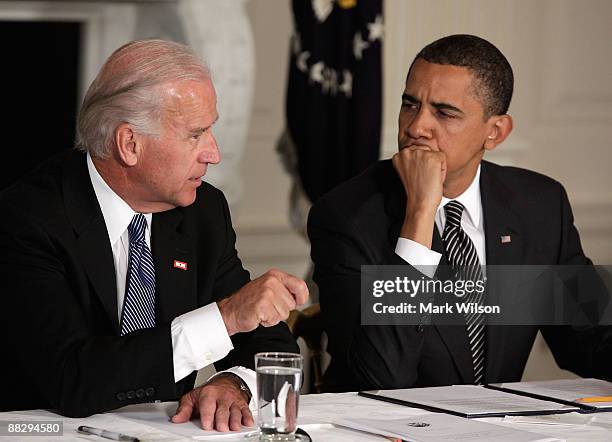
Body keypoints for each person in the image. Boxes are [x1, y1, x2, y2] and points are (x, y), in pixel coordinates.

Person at [0, 39, 308, 431]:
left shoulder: (202, 212)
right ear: (130, 144)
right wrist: (226, 317)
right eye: (195, 135)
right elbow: (71, 379)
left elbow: (270, 344)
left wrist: (234, 382)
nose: (213, 153)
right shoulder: (27, 219)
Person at [308, 34, 612, 392]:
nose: (416, 127)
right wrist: (420, 214)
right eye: (410, 105)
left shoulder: (540, 204)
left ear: (495, 132)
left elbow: (590, 337)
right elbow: (381, 378)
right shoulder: (346, 216)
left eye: (443, 112)